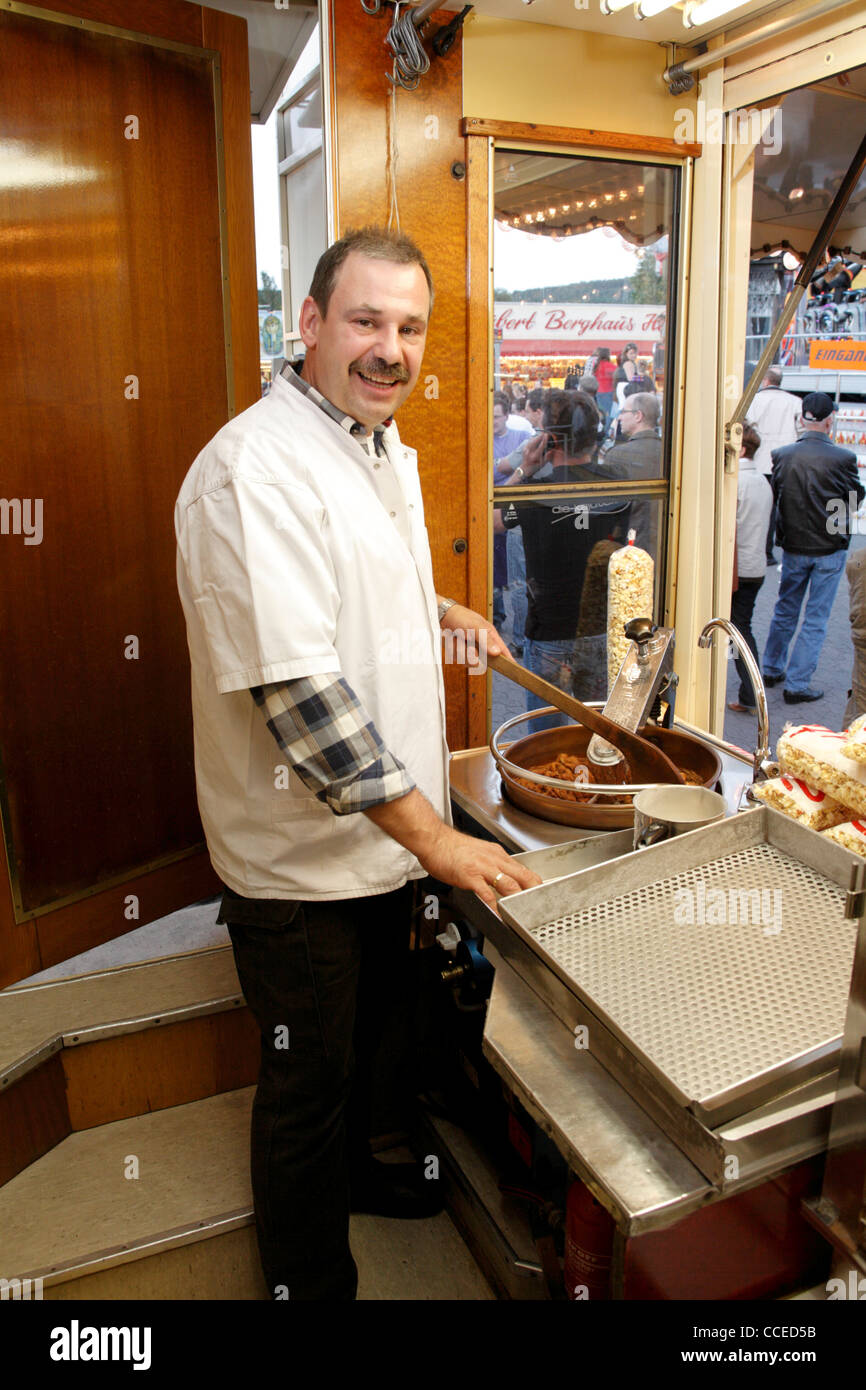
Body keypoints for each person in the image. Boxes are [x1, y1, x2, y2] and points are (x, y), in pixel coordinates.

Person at [175, 226, 540, 1302]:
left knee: (372, 1050)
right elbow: (300, 692)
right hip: (298, 865)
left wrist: (439, 608)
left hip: (377, 845)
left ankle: (354, 1182)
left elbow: (344, 589)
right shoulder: (252, 468)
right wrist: (445, 843)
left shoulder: (371, 443)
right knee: (307, 1082)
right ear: (311, 323)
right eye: (366, 321)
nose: (390, 348)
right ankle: (304, 1280)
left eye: (409, 327)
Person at [496, 392, 630, 716]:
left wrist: (524, 470)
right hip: (599, 627)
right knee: (597, 731)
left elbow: (492, 521)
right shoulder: (617, 481)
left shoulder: (535, 491)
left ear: (549, 439)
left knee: (544, 740)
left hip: (549, 631)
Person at [762, 392, 864, 703]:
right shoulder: (842, 458)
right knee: (815, 618)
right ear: (830, 420)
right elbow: (854, 496)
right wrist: (836, 520)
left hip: (794, 544)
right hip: (829, 546)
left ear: (803, 417)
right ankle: (797, 683)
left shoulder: (782, 455)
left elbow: (778, 496)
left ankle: (771, 667)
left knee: (785, 609)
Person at [727, 424, 772, 714]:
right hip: (756, 565)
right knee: (742, 627)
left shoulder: (736, 482)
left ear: (742, 449)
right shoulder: (763, 482)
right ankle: (749, 694)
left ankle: (753, 693)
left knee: (738, 631)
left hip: (737, 568)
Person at [745, 366, 800, 563]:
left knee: (761, 509)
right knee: (781, 506)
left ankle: (763, 549)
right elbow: (800, 429)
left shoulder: (754, 401)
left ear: (765, 381)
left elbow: (746, 426)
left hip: (760, 462)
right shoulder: (795, 402)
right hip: (785, 463)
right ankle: (781, 547)